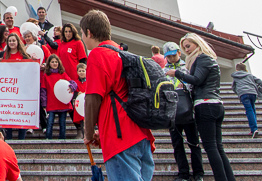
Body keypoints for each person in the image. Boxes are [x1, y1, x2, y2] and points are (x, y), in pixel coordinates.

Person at [81, 10, 155, 181]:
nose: (83, 38)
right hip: (140, 132)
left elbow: (92, 97)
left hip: (120, 137)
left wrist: (89, 132)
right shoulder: (120, 51)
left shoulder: (98, 55)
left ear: (89, 32)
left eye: (82, 34)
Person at [167, 33, 235, 181]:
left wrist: (176, 73)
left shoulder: (202, 58)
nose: (187, 50)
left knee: (211, 148)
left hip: (206, 105)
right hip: (215, 104)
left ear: (197, 43)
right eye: (185, 48)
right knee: (218, 147)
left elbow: (197, 80)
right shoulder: (209, 59)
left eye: (188, 46)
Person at [163, 41, 204, 181]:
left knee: (194, 142)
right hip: (173, 111)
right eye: (168, 56)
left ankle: (198, 172)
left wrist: (182, 82)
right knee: (177, 144)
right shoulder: (163, 71)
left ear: (179, 53)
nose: (171, 59)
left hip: (187, 108)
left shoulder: (187, 66)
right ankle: (183, 173)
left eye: (173, 55)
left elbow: (194, 83)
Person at [231, 62, 262, 138]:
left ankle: (254, 129)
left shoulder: (235, 76)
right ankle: (254, 128)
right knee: (252, 109)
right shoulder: (250, 75)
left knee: (249, 110)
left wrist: (238, 93)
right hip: (253, 93)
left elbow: (233, 87)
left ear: (237, 69)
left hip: (243, 94)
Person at [42, 54, 75, 139]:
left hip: (62, 103)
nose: (54, 63)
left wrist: (73, 86)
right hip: (51, 103)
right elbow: (43, 90)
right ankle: (48, 139)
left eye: (56, 62)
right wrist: (44, 103)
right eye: (52, 62)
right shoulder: (46, 75)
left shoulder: (63, 74)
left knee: (62, 123)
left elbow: (72, 83)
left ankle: (62, 139)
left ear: (59, 63)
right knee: (50, 122)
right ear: (49, 63)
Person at [71, 62, 87, 140]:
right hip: (79, 104)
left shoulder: (90, 82)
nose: (81, 72)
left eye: (83, 71)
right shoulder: (75, 83)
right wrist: (77, 93)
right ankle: (81, 133)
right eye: (80, 71)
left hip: (87, 104)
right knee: (80, 121)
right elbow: (73, 93)